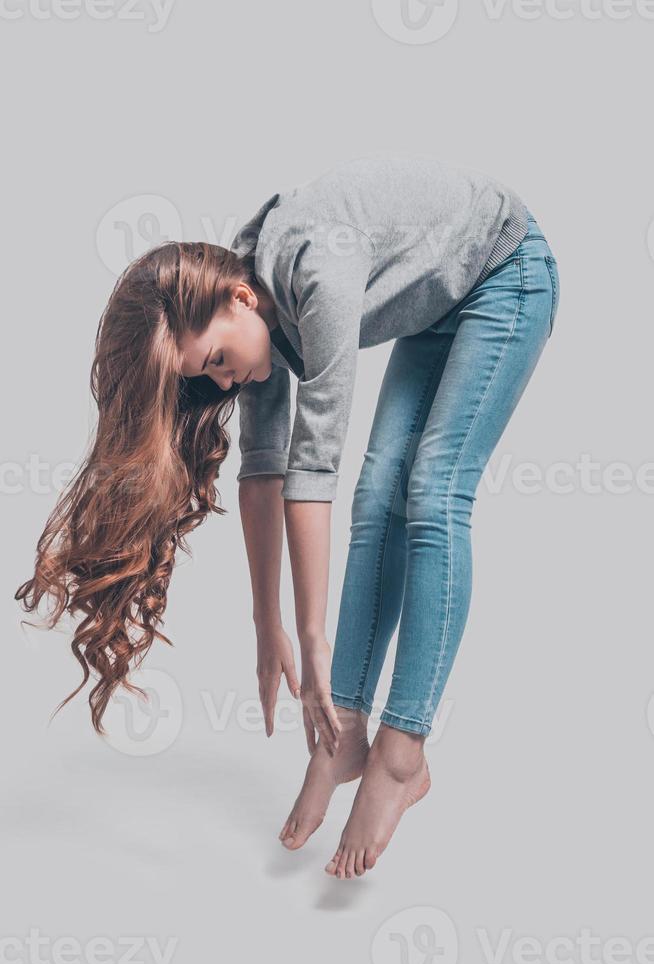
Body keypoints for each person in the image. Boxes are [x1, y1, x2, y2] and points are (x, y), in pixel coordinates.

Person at [15, 153, 560, 880]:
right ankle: (346, 737)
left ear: (240, 298)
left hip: (504, 271)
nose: (221, 379)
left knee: (432, 492)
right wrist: (265, 621)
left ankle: (402, 757)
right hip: (440, 303)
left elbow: (313, 463)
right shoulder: (256, 328)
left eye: (214, 358)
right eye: (204, 376)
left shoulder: (314, 270)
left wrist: (314, 634)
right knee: (377, 497)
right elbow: (265, 471)